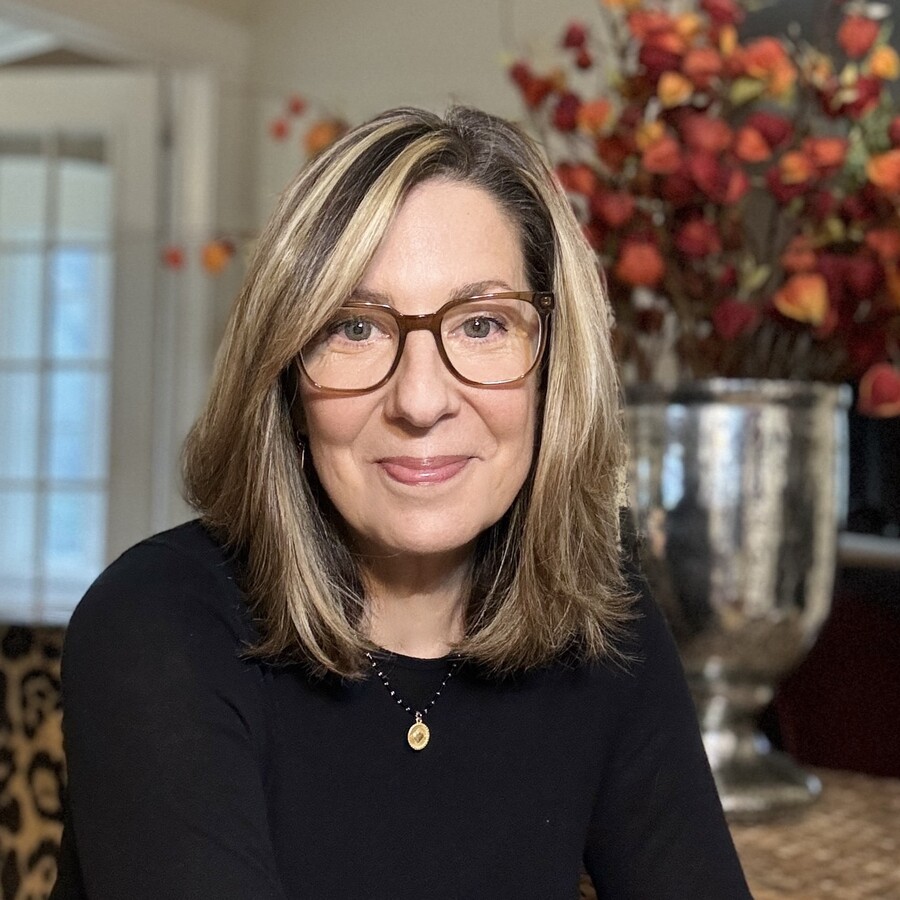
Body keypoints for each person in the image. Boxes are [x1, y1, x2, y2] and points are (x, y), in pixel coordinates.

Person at [51, 106, 751, 899]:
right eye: (355, 327)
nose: (420, 400)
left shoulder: (602, 614)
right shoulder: (157, 623)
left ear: (553, 366)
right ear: (285, 374)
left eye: (484, 323)